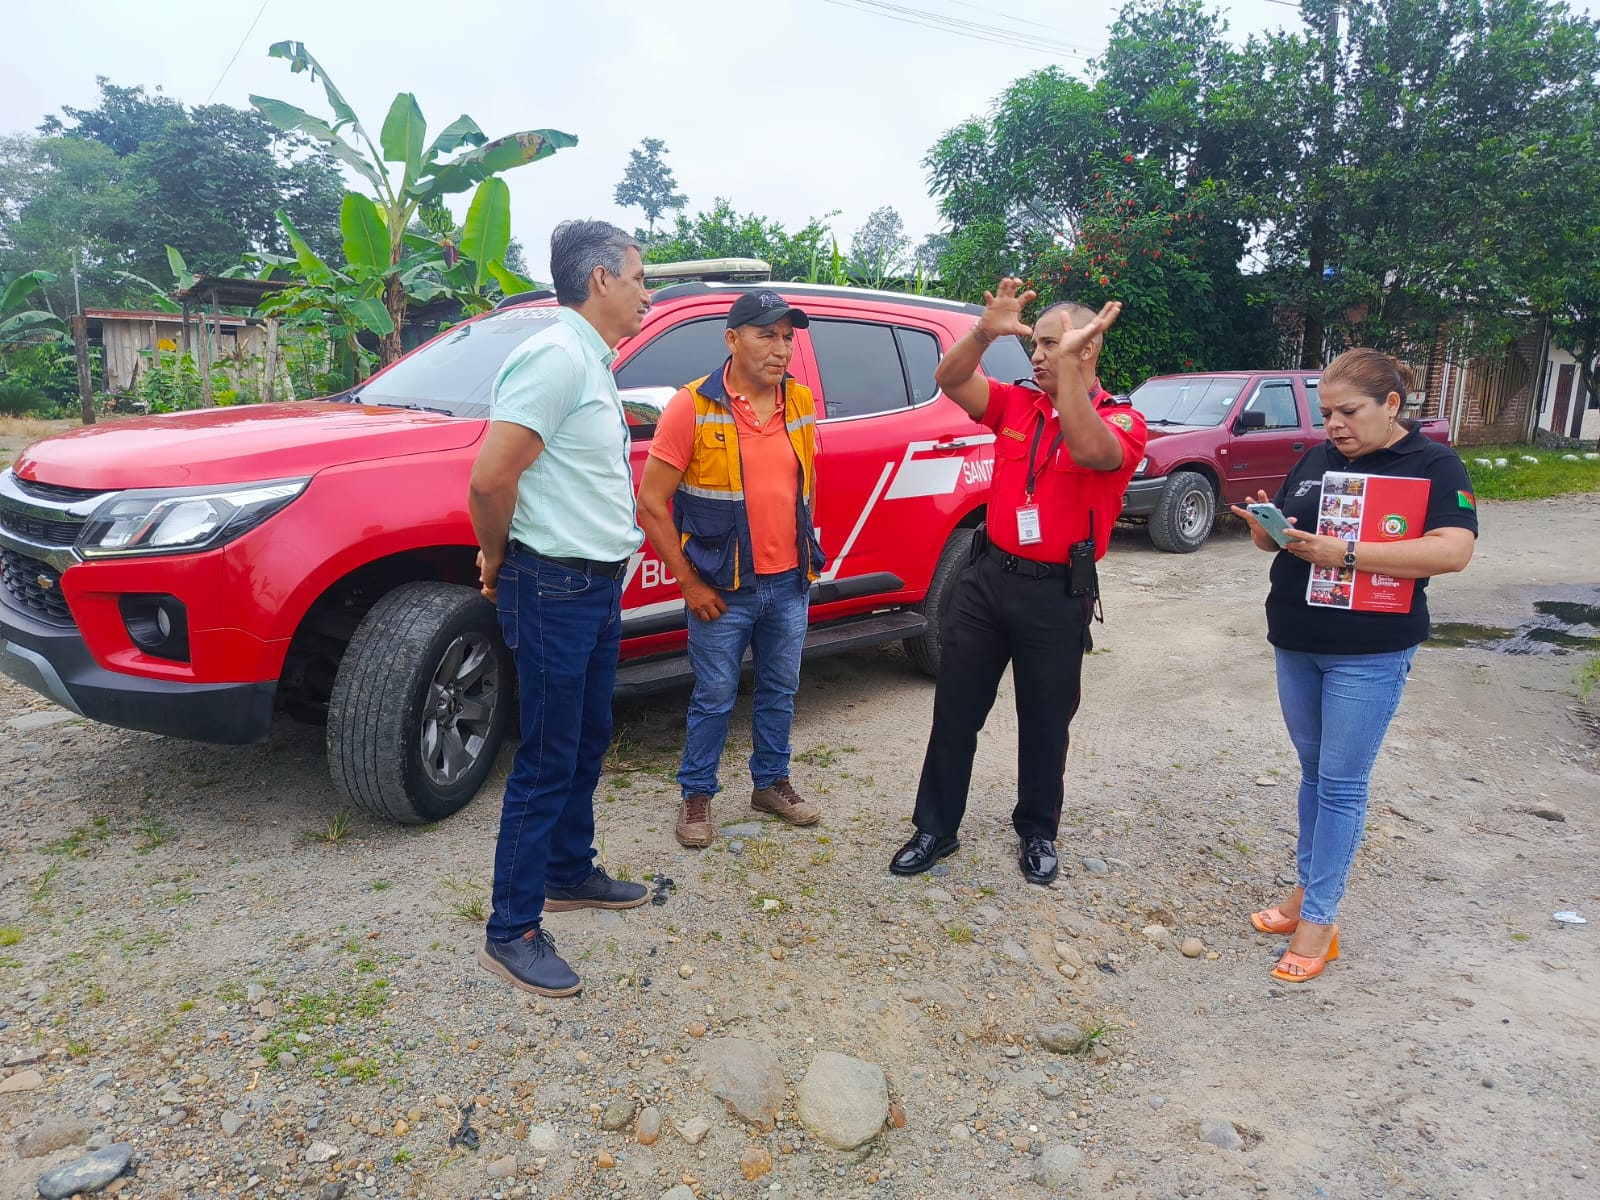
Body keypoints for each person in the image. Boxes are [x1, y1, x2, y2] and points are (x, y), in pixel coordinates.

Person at [889, 280, 1146, 885]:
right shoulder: (1017, 404)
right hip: (987, 579)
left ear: (1087, 350)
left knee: (1045, 722)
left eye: (1052, 344)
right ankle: (936, 828)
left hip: (1056, 594)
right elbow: (951, 380)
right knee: (955, 712)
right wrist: (983, 331)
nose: (1037, 354)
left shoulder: (1122, 420)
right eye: (1037, 344)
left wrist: (1070, 382)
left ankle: (1037, 831)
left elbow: (1091, 452)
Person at [1231, 348, 1476, 983]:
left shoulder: (1433, 464)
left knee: (1341, 784)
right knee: (1314, 775)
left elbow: (1452, 551)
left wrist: (1343, 553)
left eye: (1348, 412)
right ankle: (1303, 895)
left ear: (1391, 405)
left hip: (1370, 650)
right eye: (1326, 413)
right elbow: (1288, 537)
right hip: (1297, 639)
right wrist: (1267, 530)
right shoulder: (1318, 458)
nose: (1334, 425)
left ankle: (1320, 921)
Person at [466, 219, 653, 998]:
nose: (647, 294)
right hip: (553, 585)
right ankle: (511, 929)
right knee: (547, 756)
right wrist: (495, 555)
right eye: (638, 278)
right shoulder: (554, 356)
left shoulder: (590, 360)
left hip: (594, 585)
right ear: (600, 279)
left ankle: (568, 872)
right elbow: (490, 478)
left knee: (585, 739)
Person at [636, 290, 827, 848]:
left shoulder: (799, 401)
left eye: (788, 337)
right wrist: (688, 583)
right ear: (732, 339)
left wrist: (806, 555)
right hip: (723, 588)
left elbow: (806, 486)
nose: (781, 348)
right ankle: (697, 795)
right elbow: (651, 504)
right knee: (715, 695)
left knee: (780, 689)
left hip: (789, 583)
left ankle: (770, 783)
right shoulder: (691, 407)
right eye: (767, 335)